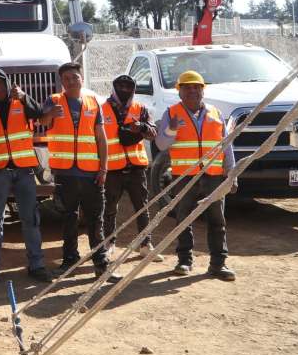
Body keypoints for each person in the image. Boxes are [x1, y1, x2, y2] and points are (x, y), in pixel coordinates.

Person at [155, 70, 237, 281]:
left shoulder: (216, 113)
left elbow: (226, 146)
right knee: (183, 219)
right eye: (187, 87)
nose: (192, 91)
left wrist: (232, 173)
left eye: (196, 87)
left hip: (214, 176)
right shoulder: (171, 113)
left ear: (203, 90)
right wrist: (171, 130)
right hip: (184, 177)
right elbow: (161, 144)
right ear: (179, 91)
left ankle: (219, 264)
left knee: (217, 220)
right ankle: (184, 261)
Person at [39, 62, 117, 280]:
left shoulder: (93, 102)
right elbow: (42, 122)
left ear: (81, 78)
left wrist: (104, 168)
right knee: (68, 218)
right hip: (65, 173)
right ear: (62, 82)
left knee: (95, 219)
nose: (71, 81)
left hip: (91, 173)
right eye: (67, 79)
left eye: (75, 77)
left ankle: (101, 264)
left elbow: (101, 138)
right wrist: (50, 114)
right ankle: (69, 260)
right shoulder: (53, 101)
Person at [0, 68, 52, 282]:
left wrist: (24, 96)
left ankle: (36, 265)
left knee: (30, 218)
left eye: (1, 84)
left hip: (23, 171)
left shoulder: (22, 103)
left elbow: (40, 113)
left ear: (7, 84)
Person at [101, 74, 163, 262]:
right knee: (109, 208)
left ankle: (145, 244)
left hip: (136, 168)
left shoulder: (141, 108)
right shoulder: (101, 109)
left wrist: (142, 127)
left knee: (142, 207)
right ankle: (109, 244)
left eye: (129, 87)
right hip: (112, 168)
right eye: (120, 86)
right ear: (113, 87)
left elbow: (153, 133)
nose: (125, 90)